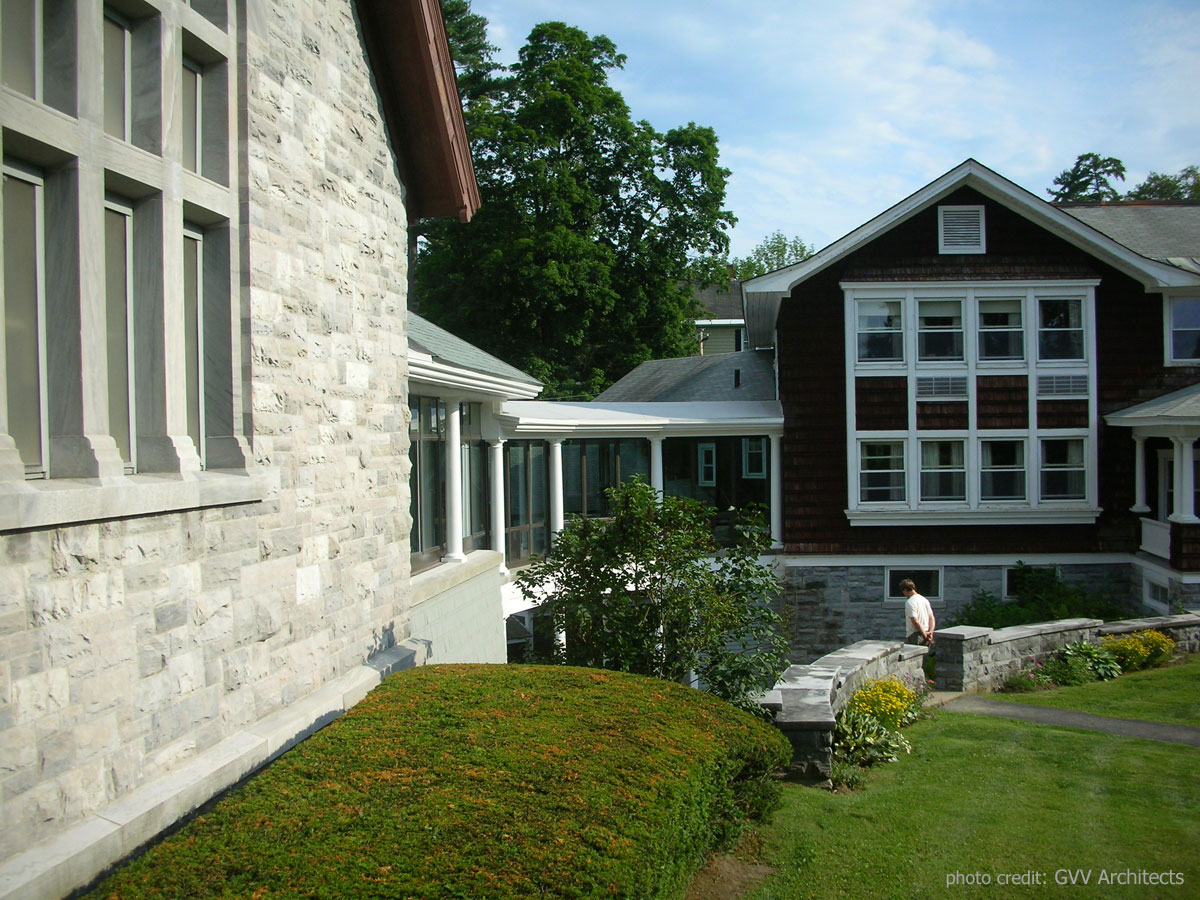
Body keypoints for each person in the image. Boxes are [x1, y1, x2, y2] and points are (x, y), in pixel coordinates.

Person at [900, 578, 935, 646]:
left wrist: (924, 635)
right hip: (927, 632)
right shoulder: (924, 600)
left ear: (905, 590)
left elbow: (915, 621)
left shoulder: (910, 602)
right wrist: (930, 632)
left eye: (903, 591)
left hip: (915, 635)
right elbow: (931, 618)